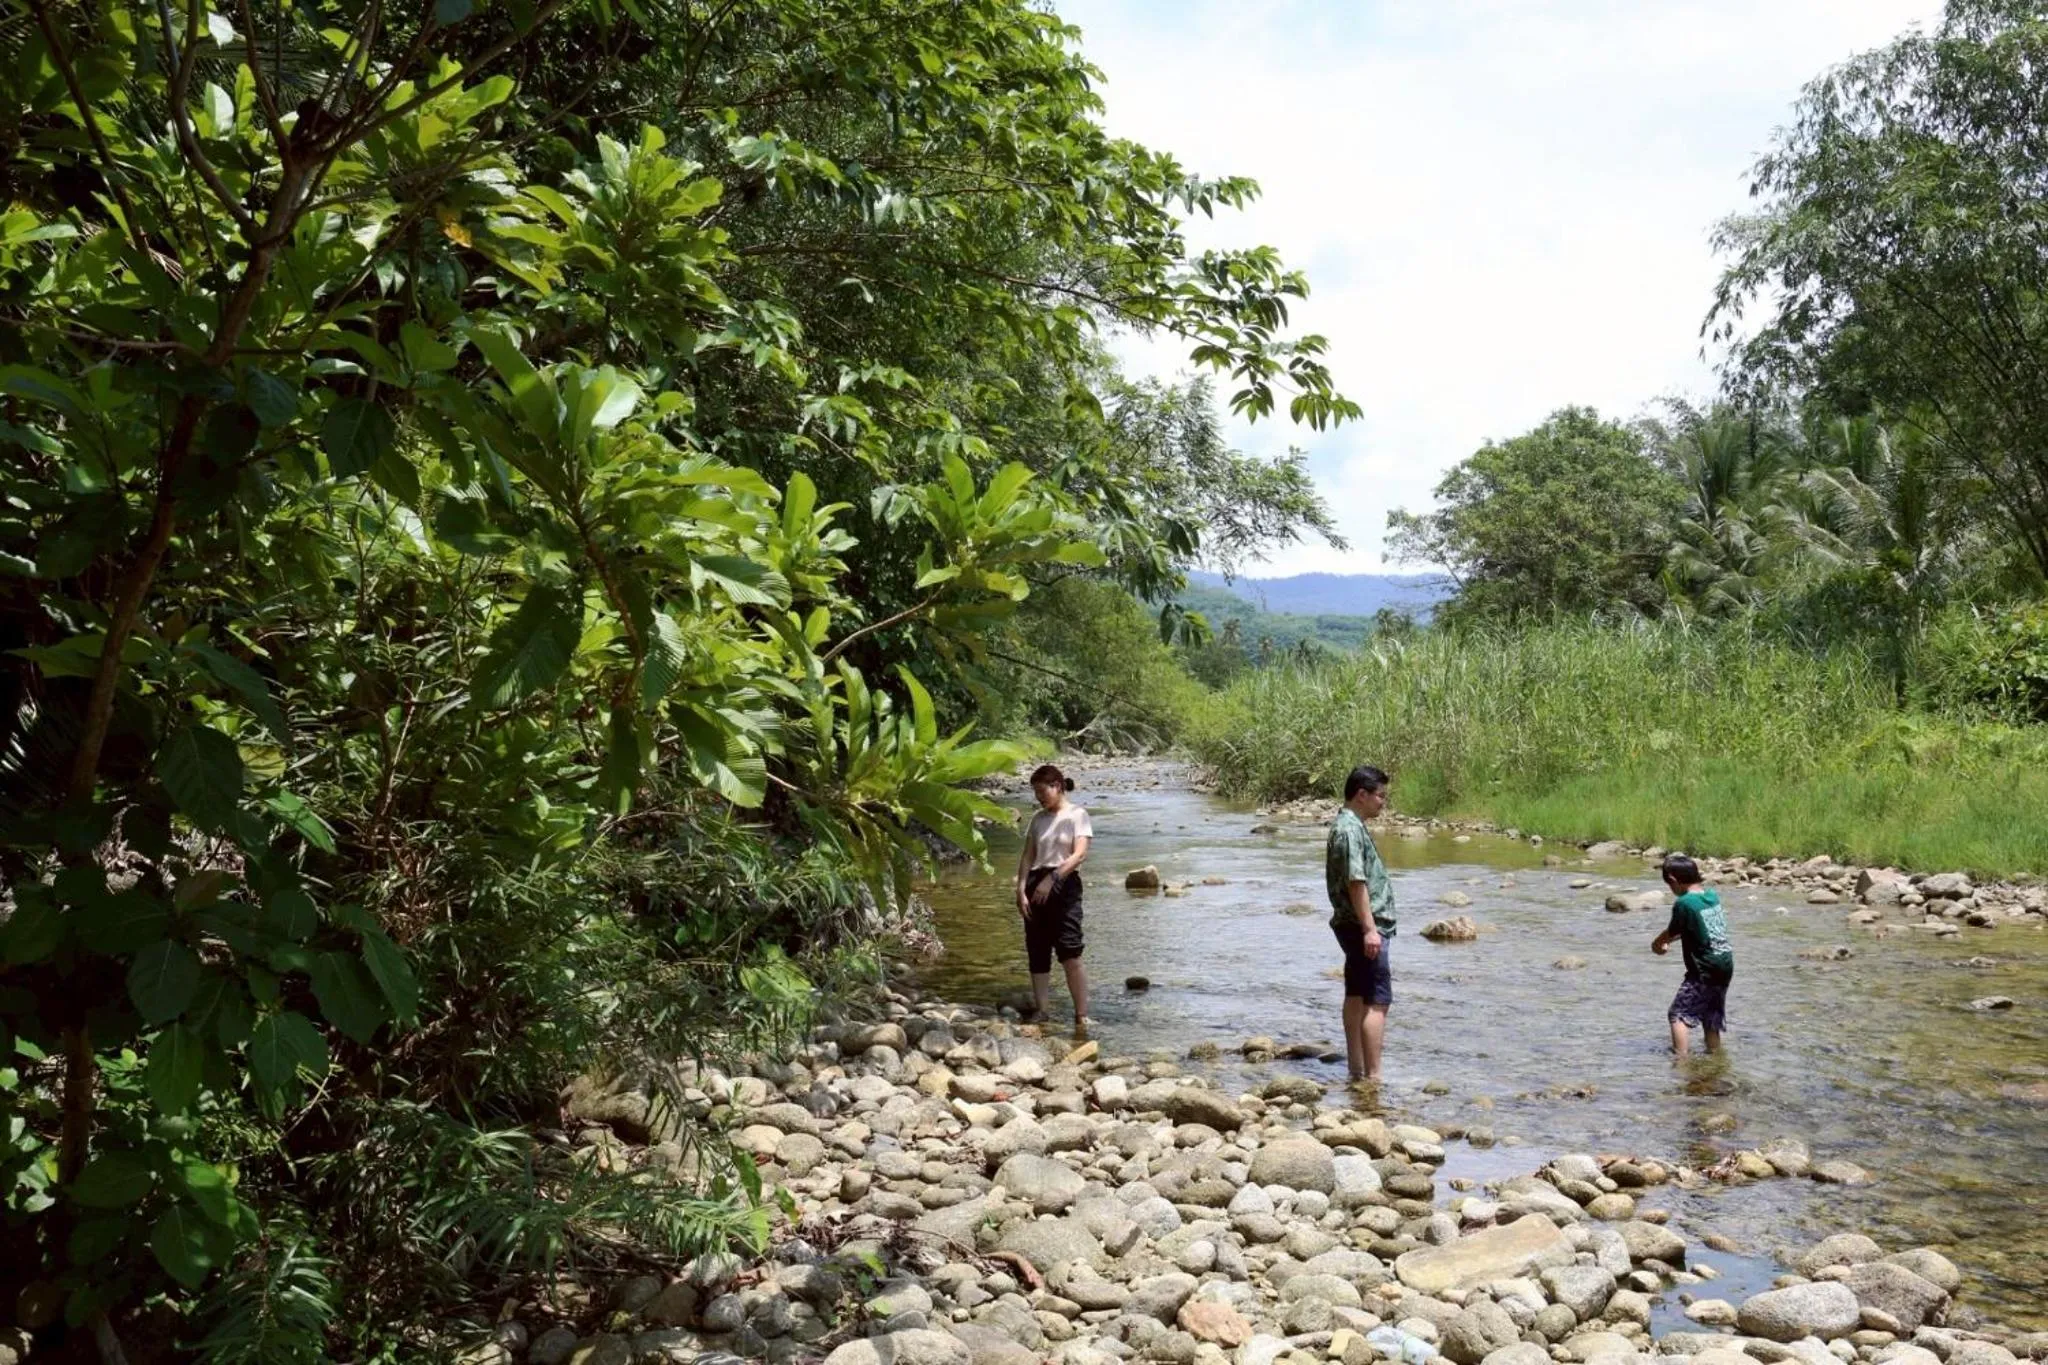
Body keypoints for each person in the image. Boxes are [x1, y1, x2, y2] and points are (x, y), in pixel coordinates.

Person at [1326, 764, 1396, 1082]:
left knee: (1356, 993)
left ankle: (1355, 1069)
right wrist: (1370, 929)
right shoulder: (1351, 829)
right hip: (1363, 926)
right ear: (1362, 794)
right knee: (1376, 1002)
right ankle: (1374, 1078)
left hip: (1349, 924)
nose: (1384, 802)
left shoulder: (1345, 824)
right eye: (1381, 796)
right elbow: (1356, 881)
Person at [1015, 763, 1093, 1031]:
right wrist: (1020, 890)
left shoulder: (1077, 815)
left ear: (1057, 786)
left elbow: (1079, 854)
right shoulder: (1038, 819)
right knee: (1037, 949)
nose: (1038, 797)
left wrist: (1053, 878)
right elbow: (1027, 856)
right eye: (1035, 792)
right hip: (1035, 883)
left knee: (1070, 950)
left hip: (1064, 883)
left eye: (1041, 791)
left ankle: (1081, 1015)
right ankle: (1042, 1011)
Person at [1651, 853, 1734, 1055]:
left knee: (1677, 1014)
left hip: (1703, 970)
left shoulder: (1684, 903)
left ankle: (1681, 1061)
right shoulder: (1711, 897)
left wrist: (1659, 943)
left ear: (1673, 880)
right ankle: (1715, 1059)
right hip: (1724, 965)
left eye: (1669, 886)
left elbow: (1674, 932)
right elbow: (1695, 928)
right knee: (1710, 1016)